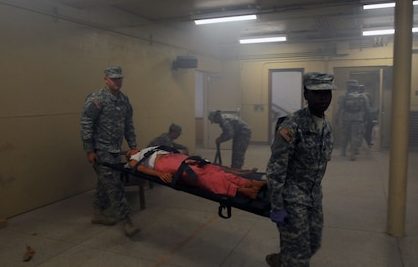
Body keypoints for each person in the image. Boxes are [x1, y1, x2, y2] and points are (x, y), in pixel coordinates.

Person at [265, 72, 336, 267]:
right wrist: (277, 206)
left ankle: (284, 258)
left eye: (327, 93)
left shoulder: (326, 126)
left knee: (313, 243)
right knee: (300, 256)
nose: (323, 98)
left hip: (314, 196)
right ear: (306, 94)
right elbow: (275, 168)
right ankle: (290, 259)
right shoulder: (292, 125)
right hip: (292, 198)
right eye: (317, 93)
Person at [80, 65, 141, 238]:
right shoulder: (97, 99)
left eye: (120, 78)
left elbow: (129, 124)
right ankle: (127, 221)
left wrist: (133, 145)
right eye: (114, 78)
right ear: (106, 79)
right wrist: (89, 150)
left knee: (104, 182)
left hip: (116, 150)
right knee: (115, 185)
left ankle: (97, 213)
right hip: (101, 150)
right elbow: (86, 123)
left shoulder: (124, 100)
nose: (117, 81)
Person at [127, 146, 266, 199]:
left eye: (133, 148)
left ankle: (249, 183)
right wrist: (159, 174)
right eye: (130, 151)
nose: (133, 149)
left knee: (210, 168)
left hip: (175, 158)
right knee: (199, 175)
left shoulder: (148, 148)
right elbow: (140, 169)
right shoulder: (134, 159)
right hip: (163, 164)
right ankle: (240, 190)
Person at [334, 79, 371, 160]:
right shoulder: (363, 96)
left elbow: (339, 108)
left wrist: (336, 118)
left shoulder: (344, 96)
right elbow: (367, 109)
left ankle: (343, 151)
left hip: (346, 118)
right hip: (358, 118)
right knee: (355, 135)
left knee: (345, 135)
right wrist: (367, 119)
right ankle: (353, 153)